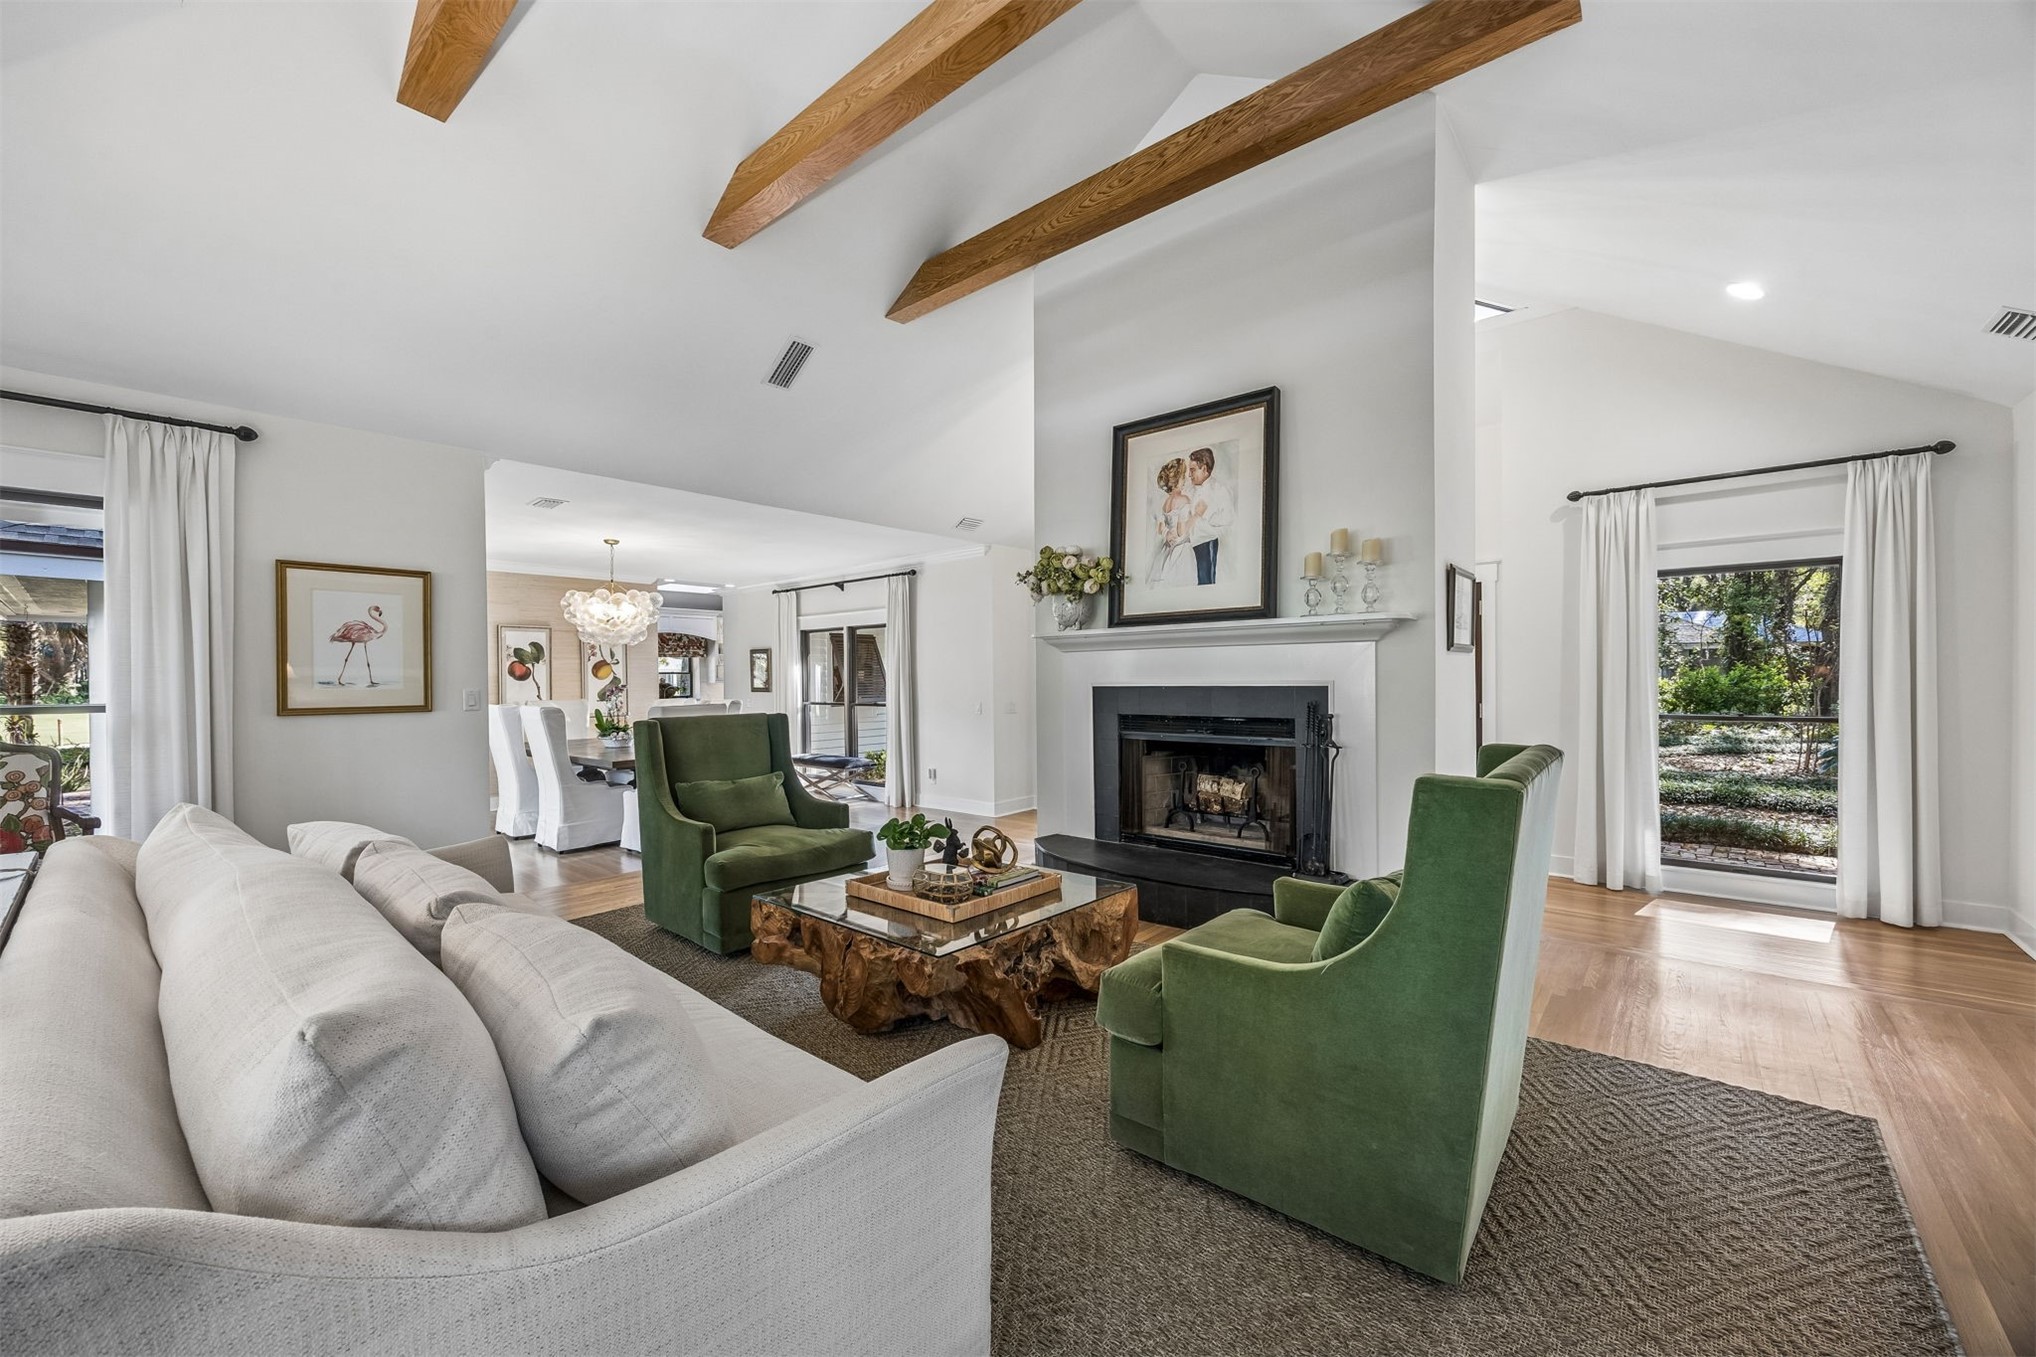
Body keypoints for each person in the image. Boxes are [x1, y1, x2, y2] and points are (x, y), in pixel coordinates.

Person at [1186, 447, 1235, 585]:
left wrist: (1202, 521)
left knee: (1205, 585)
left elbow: (1228, 521)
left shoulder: (1220, 490)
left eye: (1193, 470)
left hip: (1207, 543)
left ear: (1205, 469)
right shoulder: (1189, 491)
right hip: (1187, 546)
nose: (1189, 475)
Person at [1146, 457, 1196, 589]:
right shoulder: (1184, 499)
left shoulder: (1165, 502)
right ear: (1176, 481)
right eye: (1182, 478)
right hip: (1181, 549)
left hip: (1167, 548)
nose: (1185, 481)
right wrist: (1195, 518)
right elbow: (1181, 531)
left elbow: (1160, 528)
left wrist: (1167, 534)